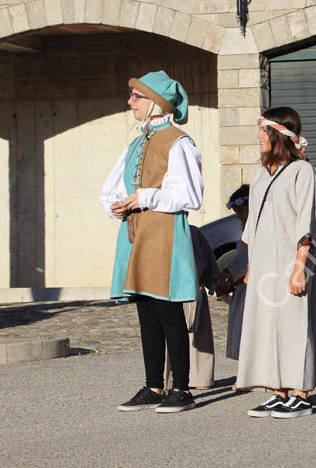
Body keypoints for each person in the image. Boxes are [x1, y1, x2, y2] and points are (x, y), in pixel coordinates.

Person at [100, 70, 202, 413]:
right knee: (147, 313)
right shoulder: (136, 143)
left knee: (168, 312)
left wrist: (142, 197)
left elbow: (189, 194)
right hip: (137, 234)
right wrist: (116, 203)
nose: (130, 102)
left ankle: (183, 388)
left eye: (136, 97)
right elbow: (114, 185)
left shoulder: (179, 141)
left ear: (156, 102)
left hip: (165, 235)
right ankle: (154, 385)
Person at [237, 106, 316, 419]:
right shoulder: (261, 174)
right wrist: (249, 270)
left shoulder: (303, 172)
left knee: (295, 325)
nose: (259, 136)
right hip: (263, 264)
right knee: (269, 326)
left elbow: (307, 223)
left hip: (291, 262)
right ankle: (278, 391)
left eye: (264, 131)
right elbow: (253, 227)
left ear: (279, 134)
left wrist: (300, 267)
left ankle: (301, 393)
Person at [165, 226, 217, 390]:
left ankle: (193, 378)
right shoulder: (192, 232)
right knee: (190, 334)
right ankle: (200, 378)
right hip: (179, 288)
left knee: (189, 333)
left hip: (183, 288)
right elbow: (209, 263)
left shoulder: (192, 232)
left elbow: (207, 261)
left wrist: (213, 282)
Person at [215, 185, 250, 364]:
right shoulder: (245, 228)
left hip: (253, 285)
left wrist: (230, 273)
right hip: (242, 284)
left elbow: (245, 256)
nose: (238, 215)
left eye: (241, 211)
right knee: (241, 327)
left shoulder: (255, 229)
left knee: (250, 327)